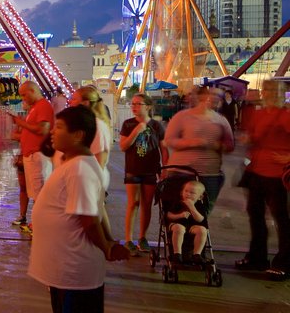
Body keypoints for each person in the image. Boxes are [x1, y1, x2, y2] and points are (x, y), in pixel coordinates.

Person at [28, 106, 131, 313]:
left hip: (74, 271)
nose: (52, 132)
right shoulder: (75, 164)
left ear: (78, 135)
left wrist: (107, 248)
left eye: (59, 127)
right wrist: (109, 241)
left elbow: (89, 219)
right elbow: (97, 210)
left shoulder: (80, 169)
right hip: (66, 269)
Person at [235, 79, 290, 280]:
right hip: (257, 170)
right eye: (266, 89)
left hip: (278, 175)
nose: (267, 93)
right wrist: (247, 141)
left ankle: (284, 262)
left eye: (272, 90)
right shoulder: (257, 114)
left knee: (282, 219)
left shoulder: (285, 116)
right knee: (255, 214)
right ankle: (257, 257)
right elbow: (251, 137)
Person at [163, 85, 235, 213]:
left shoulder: (221, 120)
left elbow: (230, 145)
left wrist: (217, 146)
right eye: (212, 95)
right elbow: (169, 140)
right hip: (181, 172)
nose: (215, 99)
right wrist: (192, 143)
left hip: (209, 175)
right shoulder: (182, 116)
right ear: (203, 97)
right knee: (177, 213)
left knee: (202, 215)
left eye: (219, 97)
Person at [119, 94, 167, 254]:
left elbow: (164, 149)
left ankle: (143, 237)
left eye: (138, 104)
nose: (134, 107)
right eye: (132, 104)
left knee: (147, 205)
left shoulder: (157, 126)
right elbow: (123, 146)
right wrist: (136, 131)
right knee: (133, 203)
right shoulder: (128, 124)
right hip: (133, 169)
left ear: (147, 106)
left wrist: (165, 168)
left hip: (151, 170)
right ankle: (128, 239)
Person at [12, 81, 56, 230]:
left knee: (40, 193)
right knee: (35, 191)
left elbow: (42, 130)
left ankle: (39, 225)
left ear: (32, 90)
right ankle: (36, 223)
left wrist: (20, 123)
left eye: (24, 94)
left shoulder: (43, 106)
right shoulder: (36, 107)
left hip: (37, 155)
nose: (23, 98)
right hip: (31, 155)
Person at [164, 180, 209, 265]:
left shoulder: (199, 205)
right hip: (176, 224)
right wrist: (180, 215)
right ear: (182, 192)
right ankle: (177, 253)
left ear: (200, 197)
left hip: (193, 226)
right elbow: (168, 215)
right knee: (179, 228)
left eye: (192, 193)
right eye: (186, 191)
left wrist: (192, 207)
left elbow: (200, 219)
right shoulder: (178, 202)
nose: (188, 194)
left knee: (202, 230)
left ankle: (197, 254)